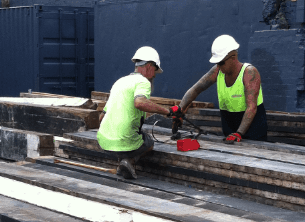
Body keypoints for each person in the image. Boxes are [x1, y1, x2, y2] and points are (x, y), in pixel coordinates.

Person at [97, 46, 183, 179]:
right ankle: (129, 161)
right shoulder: (143, 81)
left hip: (103, 141)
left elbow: (102, 117)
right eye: (154, 70)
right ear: (149, 66)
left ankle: (122, 160)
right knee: (148, 142)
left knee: (128, 136)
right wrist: (167, 112)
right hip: (125, 140)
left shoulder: (119, 82)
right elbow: (140, 102)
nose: (154, 75)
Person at [176, 35, 267, 143]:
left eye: (221, 62)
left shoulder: (249, 73)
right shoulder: (217, 71)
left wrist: (239, 133)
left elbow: (251, 107)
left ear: (233, 57)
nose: (218, 66)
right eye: (216, 63)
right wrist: (179, 110)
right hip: (230, 136)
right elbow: (195, 89)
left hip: (253, 135)